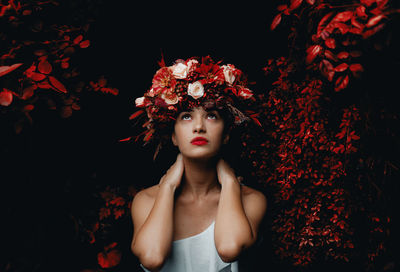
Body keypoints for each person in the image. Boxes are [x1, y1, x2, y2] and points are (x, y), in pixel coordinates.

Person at [129, 56, 267, 272]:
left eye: (211, 116)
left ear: (226, 134)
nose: (199, 127)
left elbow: (229, 248)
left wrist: (230, 183)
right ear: (173, 136)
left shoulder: (251, 200)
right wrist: (167, 187)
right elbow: (152, 258)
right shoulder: (146, 200)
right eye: (186, 117)